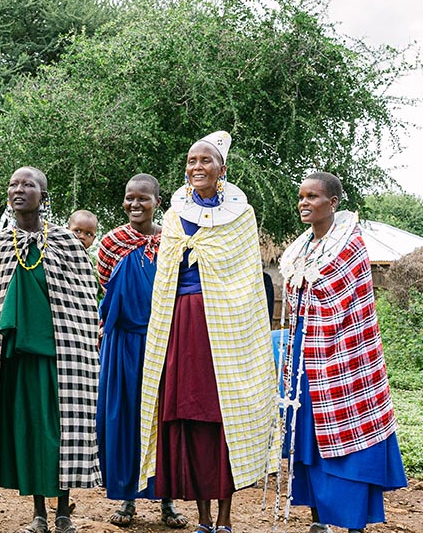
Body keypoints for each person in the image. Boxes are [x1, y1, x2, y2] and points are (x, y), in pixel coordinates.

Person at [138, 131, 277, 533]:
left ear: (222, 170)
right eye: (191, 160)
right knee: (191, 417)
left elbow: (247, 282)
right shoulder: (174, 216)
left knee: (223, 418)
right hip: (181, 325)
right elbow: (166, 277)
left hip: (227, 330)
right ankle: (201, 518)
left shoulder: (241, 217)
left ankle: (226, 517)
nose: (197, 166)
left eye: (206, 161)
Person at [0, 166, 100, 533]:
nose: (19, 189)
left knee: (58, 434)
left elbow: (83, 304)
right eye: (13, 183)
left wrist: (75, 347)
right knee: (27, 431)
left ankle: (63, 511)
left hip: (60, 360)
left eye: (28, 184)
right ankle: (38, 513)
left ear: (44, 197)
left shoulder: (66, 243)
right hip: (13, 360)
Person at [278, 172, 406, 533]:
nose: (304, 203)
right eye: (301, 197)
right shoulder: (300, 249)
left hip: (345, 356)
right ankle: (319, 518)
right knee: (312, 435)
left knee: (350, 438)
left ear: (332, 203)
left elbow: (336, 297)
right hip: (307, 353)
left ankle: (352, 523)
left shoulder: (350, 246)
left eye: (313, 197)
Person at [95, 174, 186, 529]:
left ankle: (167, 501)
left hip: (162, 340)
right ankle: (128, 499)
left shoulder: (173, 242)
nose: (135, 205)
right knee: (126, 417)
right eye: (129, 198)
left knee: (162, 418)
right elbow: (107, 290)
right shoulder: (110, 243)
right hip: (122, 343)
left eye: (143, 199)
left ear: (157, 202)